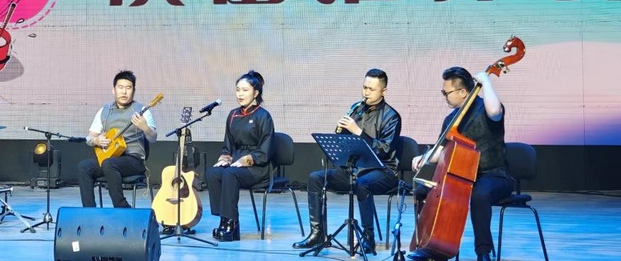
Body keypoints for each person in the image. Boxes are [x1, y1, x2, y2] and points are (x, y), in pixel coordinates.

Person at [407, 67, 513, 261]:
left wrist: (486, 81)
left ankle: (483, 253)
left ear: (463, 92)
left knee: (480, 195)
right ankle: (429, 245)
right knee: (422, 190)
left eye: (446, 92)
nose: (444, 97)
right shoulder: (451, 119)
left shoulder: (486, 107)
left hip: (493, 175)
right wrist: (423, 157)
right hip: (460, 177)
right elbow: (441, 151)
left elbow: (495, 112)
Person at [292, 68, 402, 254]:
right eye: (364, 87)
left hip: (383, 171)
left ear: (383, 91)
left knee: (363, 184)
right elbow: (343, 142)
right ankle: (317, 234)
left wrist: (357, 131)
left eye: (372, 89)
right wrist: (341, 131)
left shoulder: (392, 117)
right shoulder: (356, 109)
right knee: (315, 178)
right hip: (355, 169)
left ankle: (368, 238)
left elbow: (384, 150)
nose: (366, 92)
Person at [205, 70, 274, 242]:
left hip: (257, 167)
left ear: (255, 93)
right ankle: (224, 219)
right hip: (236, 164)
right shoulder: (233, 115)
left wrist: (245, 160)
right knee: (213, 173)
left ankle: (231, 223)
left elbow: (265, 152)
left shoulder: (263, 116)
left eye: (245, 90)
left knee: (230, 174)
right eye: (238, 90)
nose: (240, 94)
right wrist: (224, 159)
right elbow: (228, 145)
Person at [79, 70, 158, 208]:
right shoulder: (104, 110)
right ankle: (89, 211)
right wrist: (96, 140)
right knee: (84, 167)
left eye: (128, 88)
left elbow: (153, 138)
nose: (124, 92)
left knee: (109, 164)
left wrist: (145, 127)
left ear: (133, 91)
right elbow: (90, 137)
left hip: (133, 161)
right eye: (120, 87)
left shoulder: (142, 110)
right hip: (109, 158)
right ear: (113, 90)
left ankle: (122, 207)